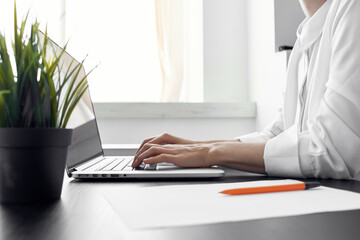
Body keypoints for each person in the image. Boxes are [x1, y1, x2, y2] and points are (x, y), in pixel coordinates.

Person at [133, 0, 360, 180]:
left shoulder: (352, 8)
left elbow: (331, 149)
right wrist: (199, 146)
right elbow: (279, 134)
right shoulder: (303, 40)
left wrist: (211, 154)